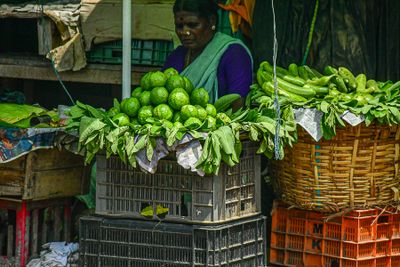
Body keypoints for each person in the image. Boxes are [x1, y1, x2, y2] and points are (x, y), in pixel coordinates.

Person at [162, 0, 253, 103]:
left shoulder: (234, 54)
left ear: (212, 21)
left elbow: (238, 105)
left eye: (192, 25)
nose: (184, 32)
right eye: (179, 26)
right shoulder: (177, 55)